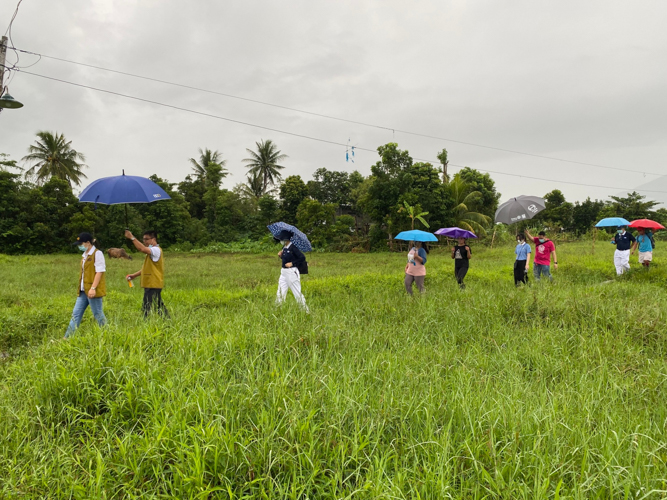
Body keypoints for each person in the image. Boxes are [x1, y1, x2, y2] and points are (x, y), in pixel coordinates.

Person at [64, 232, 107, 338]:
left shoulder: (97, 254)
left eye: (81, 244)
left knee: (98, 315)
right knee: (76, 314)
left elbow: (99, 272)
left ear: (88, 242)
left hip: (93, 290)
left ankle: (108, 334)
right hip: (83, 290)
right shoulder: (84, 255)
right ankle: (67, 338)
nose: (80, 246)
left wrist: (93, 288)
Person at [125, 229, 169, 318]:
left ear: (153, 239)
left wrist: (132, 238)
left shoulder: (156, 250)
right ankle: (166, 319)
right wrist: (134, 275)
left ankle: (147, 322)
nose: (144, 241)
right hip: (151, 283)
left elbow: (142, 249)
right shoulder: (152, 251)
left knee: (148, 306)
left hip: (153, 283)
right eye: (143, 239)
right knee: (157, 304)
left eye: (146, 239)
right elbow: (147, 269)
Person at [275, 230, 309, 312]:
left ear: (286, 239)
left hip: (291, 272)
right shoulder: (284, 247)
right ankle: (277, 309)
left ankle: (305, 310)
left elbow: (302, 258)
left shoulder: (293, 247)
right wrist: (281, 255)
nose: (281, 241)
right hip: (283, 272)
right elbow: (286, 259)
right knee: (280, 291)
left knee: (297, 291)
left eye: (282, 239)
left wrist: (292, 263)